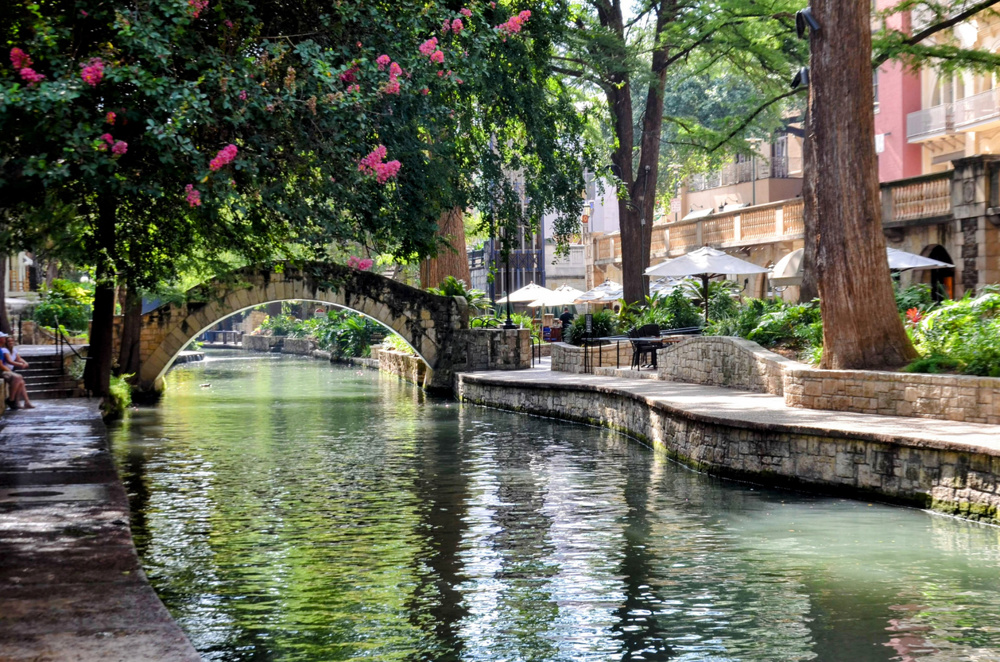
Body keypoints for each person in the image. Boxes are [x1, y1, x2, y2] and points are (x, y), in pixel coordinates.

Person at [1, 334, 34, 410]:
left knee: (21, 382)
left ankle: (25, 402)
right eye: (9, 341)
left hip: (10, 370)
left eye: (12, 341)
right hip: (6, 370)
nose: (10, 342)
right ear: (6, 342)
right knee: (19, 379)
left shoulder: (14, 350)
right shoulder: (4, 350)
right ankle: (14, 400)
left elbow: (19, 358)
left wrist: (25, 362)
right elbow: (9, 361)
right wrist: (20, 365)